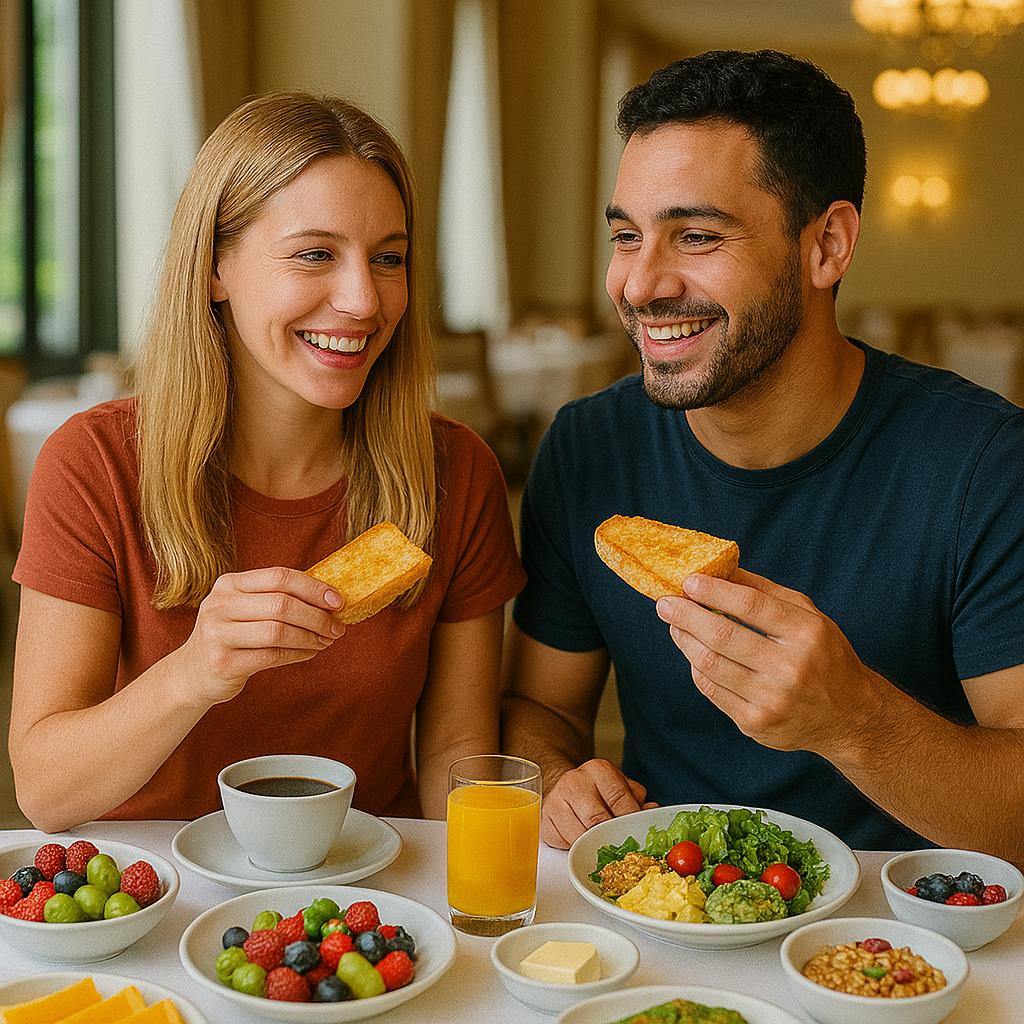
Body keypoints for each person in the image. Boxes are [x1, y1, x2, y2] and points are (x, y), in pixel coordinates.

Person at [502, 50, 1024, 859]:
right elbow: (542, 709)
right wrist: (556, 775)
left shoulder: (984, 465)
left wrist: (854, 720)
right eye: (627, 236)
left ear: (828, 246)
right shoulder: (585, 447)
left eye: (697, 236)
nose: (639, 285)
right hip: (663, 918)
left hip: (898, 936)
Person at [10, 92, 525, 833]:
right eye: (315, 254)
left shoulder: (457, 472)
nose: (361, 300)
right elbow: (45, 792)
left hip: (369, 903)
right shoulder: (93, 464)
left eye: (389, 259)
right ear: (216, 266)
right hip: (156, 898)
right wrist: (195, 673)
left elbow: (455, 753)